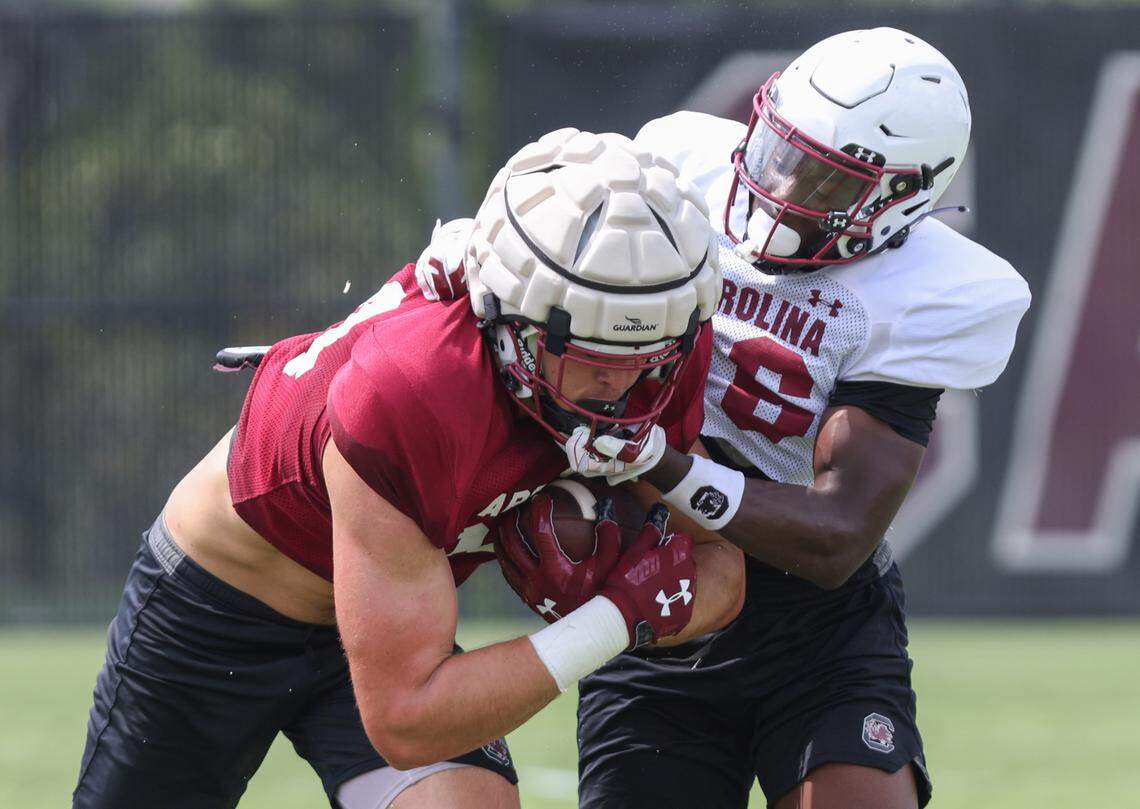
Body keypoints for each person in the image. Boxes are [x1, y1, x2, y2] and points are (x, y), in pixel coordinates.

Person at [71, 128, 743, 809]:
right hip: (218, 603)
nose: (621, 384)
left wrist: (644, 605)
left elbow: (723, 567)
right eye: (588, 349)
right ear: (513, 323)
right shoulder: (417, 385)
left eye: (648, 351)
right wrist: (617, 616)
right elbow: (405, 718)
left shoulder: (656, 350)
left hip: (388, 615)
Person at [480, 28, 1030, 809]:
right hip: (656, 591)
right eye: (779, 150)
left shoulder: (929, 292)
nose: (782, 186)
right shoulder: (682, 166)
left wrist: (659, 461)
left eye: (826, 181)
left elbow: (837, 534)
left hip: (814, 628)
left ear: (902, 195)